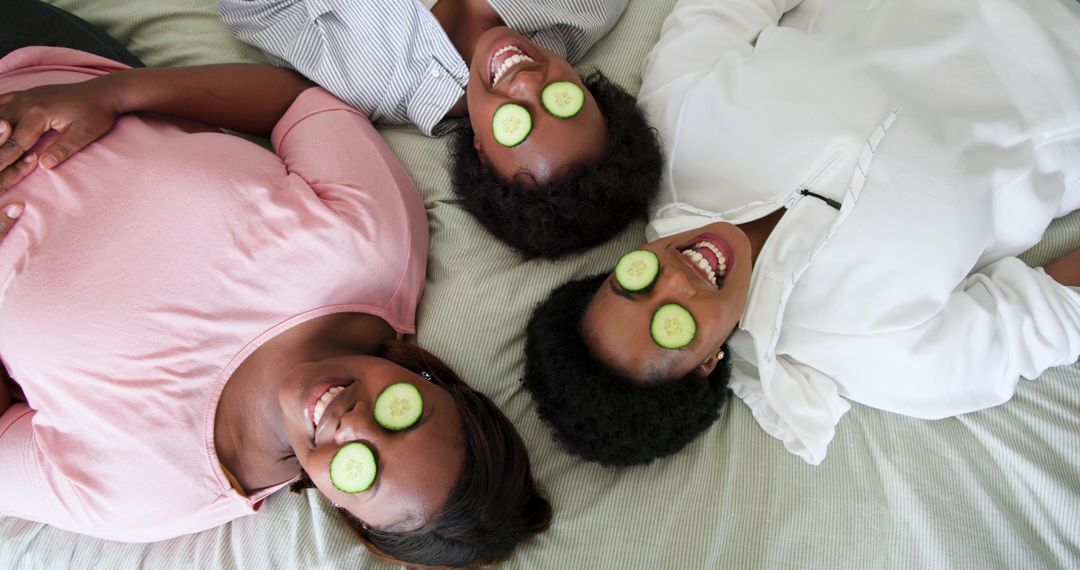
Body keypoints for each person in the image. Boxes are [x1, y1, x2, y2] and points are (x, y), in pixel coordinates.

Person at [0, 3, 550, 566]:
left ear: (345, 511)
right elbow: (294, 102)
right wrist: (111, 95)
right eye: (401, 414)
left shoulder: (141, 493)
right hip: (33, 61)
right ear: (434, 384)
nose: (353, 422)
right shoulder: (372, 246)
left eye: (363, 471)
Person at [523, 0, 1080, 467]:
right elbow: (1060, 309)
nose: (673, 278)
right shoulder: (883, 354)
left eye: (633, 282)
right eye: (672, 326)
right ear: (707, 364)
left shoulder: (671, 124)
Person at [216, 0, 663, 257]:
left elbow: (252, 8)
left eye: (517, 124)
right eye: (562, 101)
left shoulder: (369, 78)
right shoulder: (585, 6)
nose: (526, 82)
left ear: (481, 150)